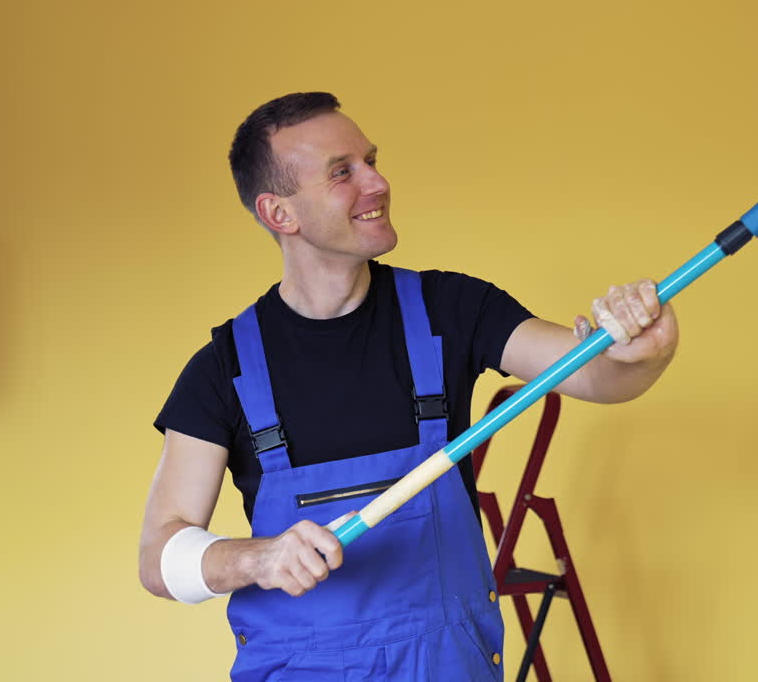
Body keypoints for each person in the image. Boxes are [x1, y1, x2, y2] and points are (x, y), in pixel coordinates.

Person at [138, 91, 678, 681]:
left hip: (448, 664)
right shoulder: (225, 369)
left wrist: (643, 351)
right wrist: (259, 557)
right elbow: (160, 559)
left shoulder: (451, 309)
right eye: (343, 172)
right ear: (279, 214)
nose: (377, 182)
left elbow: (596, 374)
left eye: (371, 160)